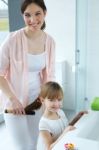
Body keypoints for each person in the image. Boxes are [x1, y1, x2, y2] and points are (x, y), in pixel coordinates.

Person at [0, 0, 55, 150]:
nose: (32, 20)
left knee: (34, 144)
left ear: (45, 13)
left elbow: (50, 75)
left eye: (37, 14)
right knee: (22, 147)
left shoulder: (49, 42)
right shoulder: (12, 39)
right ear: (23, 16)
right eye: (27, 15)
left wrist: (48, 100)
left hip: (37, 103)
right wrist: (13, 99)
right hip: (14, 104)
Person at [36, 81, 88, 150]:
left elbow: (66, 127)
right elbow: (49, 148)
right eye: (52, 100)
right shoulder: (44, 124)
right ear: (42, 100)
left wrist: (77, 117)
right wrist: (65, 133)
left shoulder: (60, 112)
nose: (57, 104)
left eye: (59, 100)